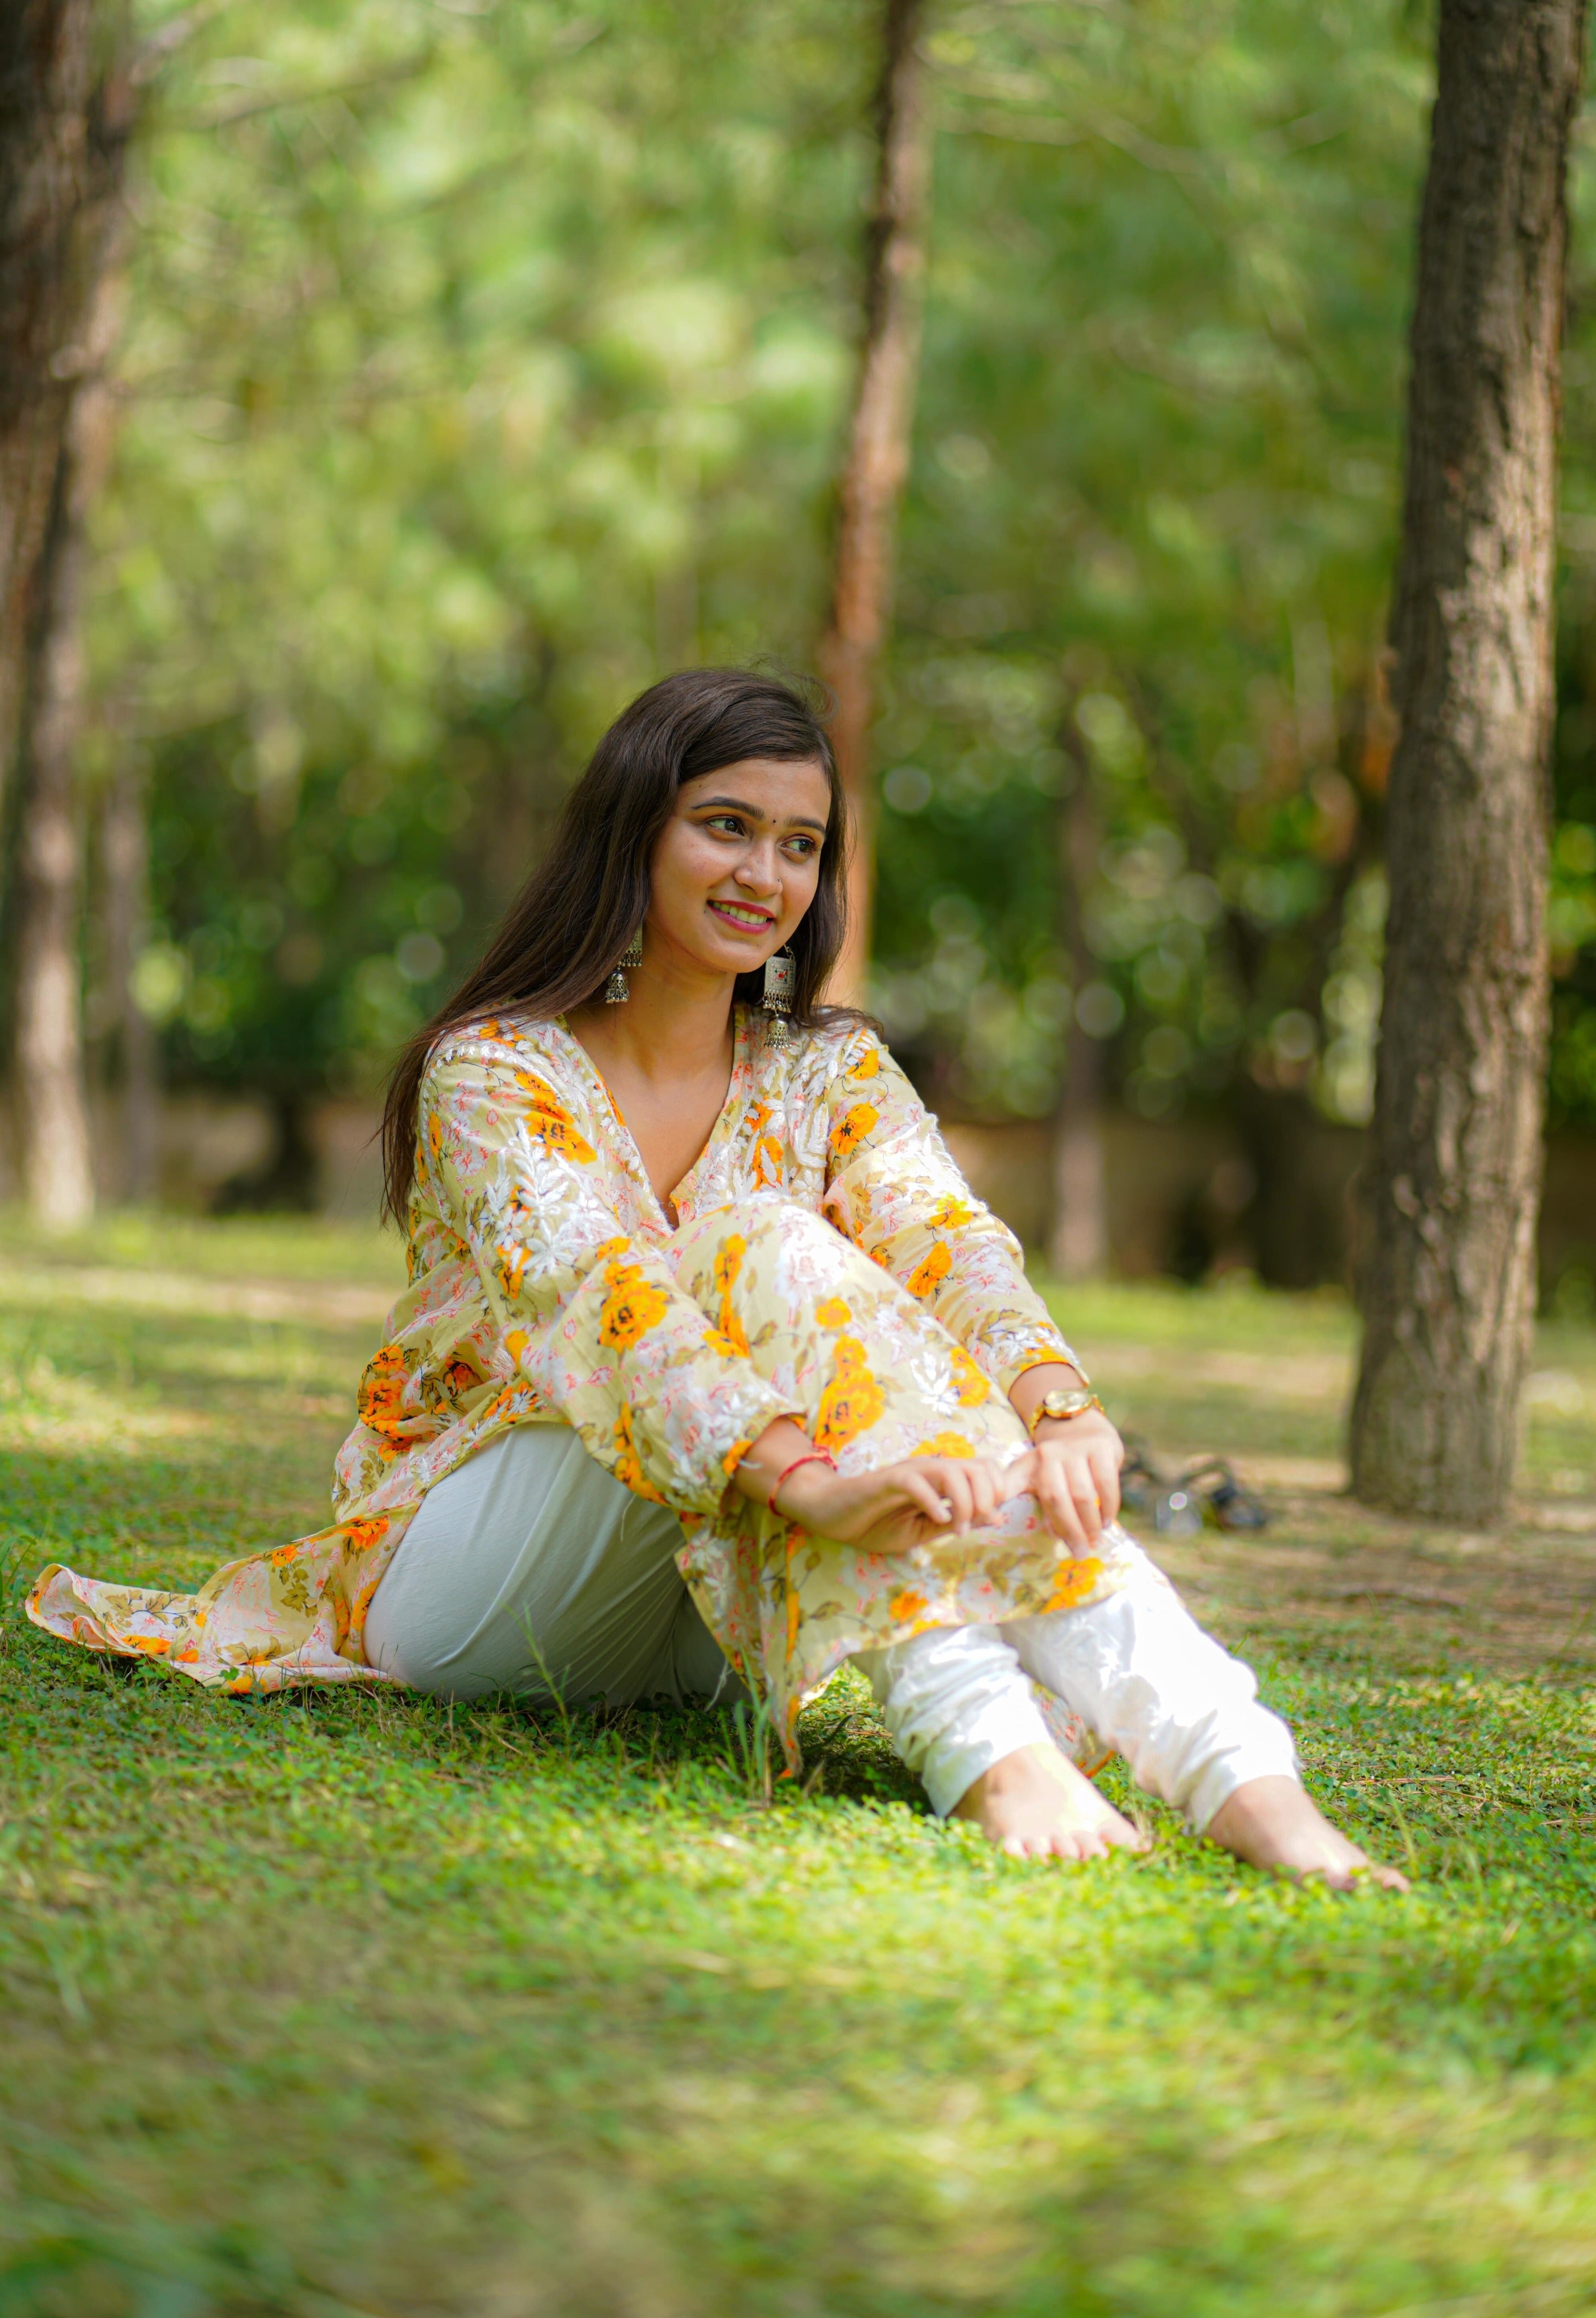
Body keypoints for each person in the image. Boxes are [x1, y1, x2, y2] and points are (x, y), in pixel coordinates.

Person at [29, 669, 1403, 1884]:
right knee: (759, 1244)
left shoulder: (830, 1068)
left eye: (800, 844)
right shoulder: (495, 1070)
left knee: (836, 1296)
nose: (766, 874)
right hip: (481, 1584)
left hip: (706, 1619)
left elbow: (947, 1239)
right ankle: (992, 1753)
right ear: (635, 833)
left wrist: (1059, 1405)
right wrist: (811, 1475)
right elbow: (600, 1304)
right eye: (727, 825)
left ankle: (1241, 1775)